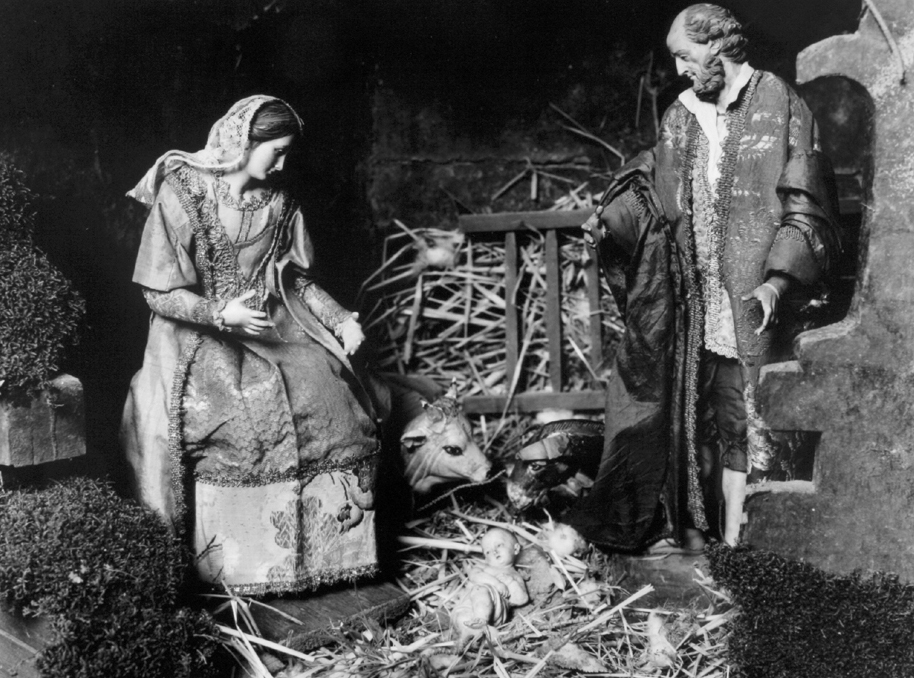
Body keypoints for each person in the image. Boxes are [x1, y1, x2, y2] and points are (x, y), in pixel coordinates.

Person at [561, 4, 841, 550]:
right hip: (692, 299)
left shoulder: (779, 102)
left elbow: (806, 201)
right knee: (695, 413)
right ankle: (701, 531)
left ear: (717, 47)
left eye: (685, 55)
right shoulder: (680, 114)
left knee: (751, 416)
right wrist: (609, 219)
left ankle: (756, 541)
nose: (679, 68)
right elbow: (652, 183)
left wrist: (776, 282)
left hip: (754, 303)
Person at [121, 95, 380, 596]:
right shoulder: (183, 193)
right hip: (195, 335)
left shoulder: (280, 204)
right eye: (276, 152)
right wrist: (221, 314)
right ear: (243, 143)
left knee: (332, 394)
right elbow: (157, 291)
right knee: (243, 412)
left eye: (287, 154)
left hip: (273, 326)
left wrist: (341, 319)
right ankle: (234, 570)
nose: (283, 165)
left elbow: (298, 283)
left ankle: (317, 563)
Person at [450, 528, 529, 639]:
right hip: (467, 607)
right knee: (462, 618)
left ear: (515, 549)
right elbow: (474, 575)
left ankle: (482, 621)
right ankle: (469, 635)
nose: (494, 551)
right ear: (486, 558)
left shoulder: (514, 576)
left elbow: (522, 599)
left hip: (494, 614)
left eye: (499, 545)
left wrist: (509, 582)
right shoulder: (483, 567)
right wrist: (496, 583)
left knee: (481, 590)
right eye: (488, 551)